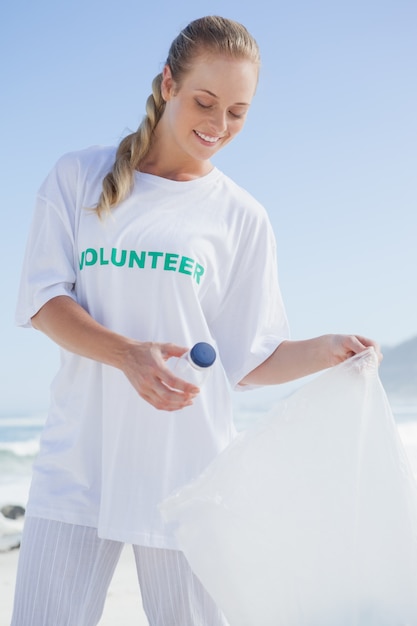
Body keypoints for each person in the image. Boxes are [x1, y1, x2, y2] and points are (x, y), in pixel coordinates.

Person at [11, 15, 381, 626]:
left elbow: (248, 358)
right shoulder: (77, 176)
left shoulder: (242, 217)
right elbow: (45, 303)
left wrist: (326, 348)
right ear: (167, 85)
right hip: (77, 465)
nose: (218, 125)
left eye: (237, 112)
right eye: (205, 101)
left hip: (187, 479)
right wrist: (128, 354)